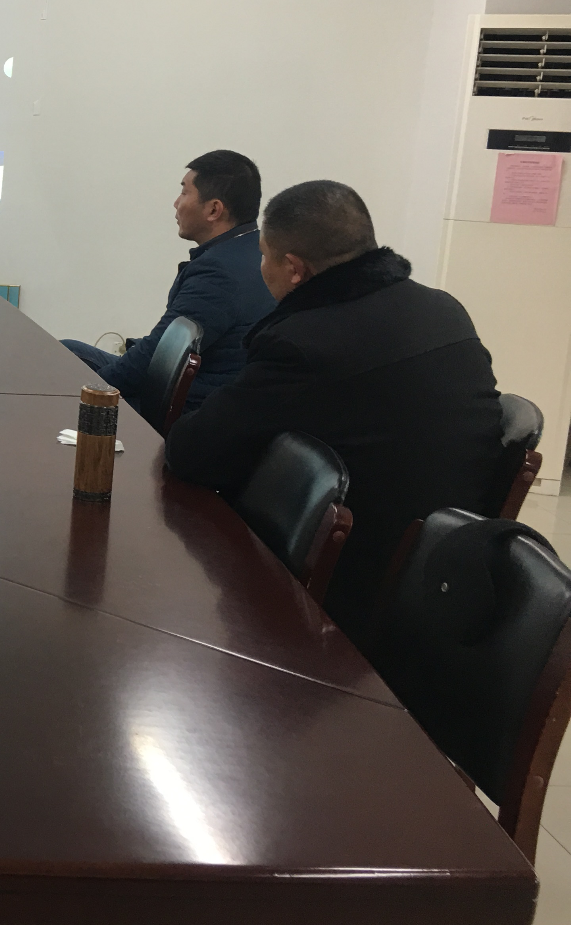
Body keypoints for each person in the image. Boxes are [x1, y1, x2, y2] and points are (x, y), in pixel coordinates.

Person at [164, 180, 503, 646]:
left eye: (263, 256)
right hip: (459, 566)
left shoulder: (304, 343)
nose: (261, 269)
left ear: (294, 269)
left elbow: (192, 452)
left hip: (356, 590)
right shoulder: (445, 310)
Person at [61, 150, 273, 416]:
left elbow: (159, 356)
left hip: (181, 407)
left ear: (213, 209)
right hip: (197, 388)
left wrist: (92, 393)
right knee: (67, 351)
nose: (176, 203)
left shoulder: (218, 272)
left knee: (63, 379)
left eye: (184, 192)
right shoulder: (253, 250)